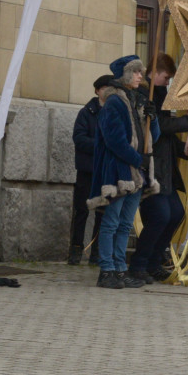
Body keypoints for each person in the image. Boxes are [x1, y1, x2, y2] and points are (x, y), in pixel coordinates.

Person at [88, 55, 159, 289]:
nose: (141, 76)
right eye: (137, 72)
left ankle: (120, 269)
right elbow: (114, 141)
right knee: (111, 221)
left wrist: (153, 117)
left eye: (141, 72)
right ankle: (106, 269)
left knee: (126, 223)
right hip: (119, 170)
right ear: (126, 75)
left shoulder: (135, 99)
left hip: (136, 171)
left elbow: (152, 136)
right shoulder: (114, 102)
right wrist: (139, 159)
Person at [125, 55, 188, 287]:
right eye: (166, 77)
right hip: (151, 167)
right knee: (159, 215)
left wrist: (183, 148)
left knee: (176, 213)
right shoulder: (144, 95)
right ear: (154, 72)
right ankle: (139, 264)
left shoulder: (161, 95)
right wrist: (185, 122)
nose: (167, 82)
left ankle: (154, 262)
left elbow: (167, 138)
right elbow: (156, 127)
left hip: (166, 169)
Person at [68, 74, 113, 265]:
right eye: (106, 89)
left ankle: (96, 252)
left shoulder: (113, 113)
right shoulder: (87, 112)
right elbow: (79, 138)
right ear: (98, 91)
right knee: (82, 211)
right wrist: (100, 145)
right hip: (87, 170)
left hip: (105, 171)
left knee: (102, 214)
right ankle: (76, 250)